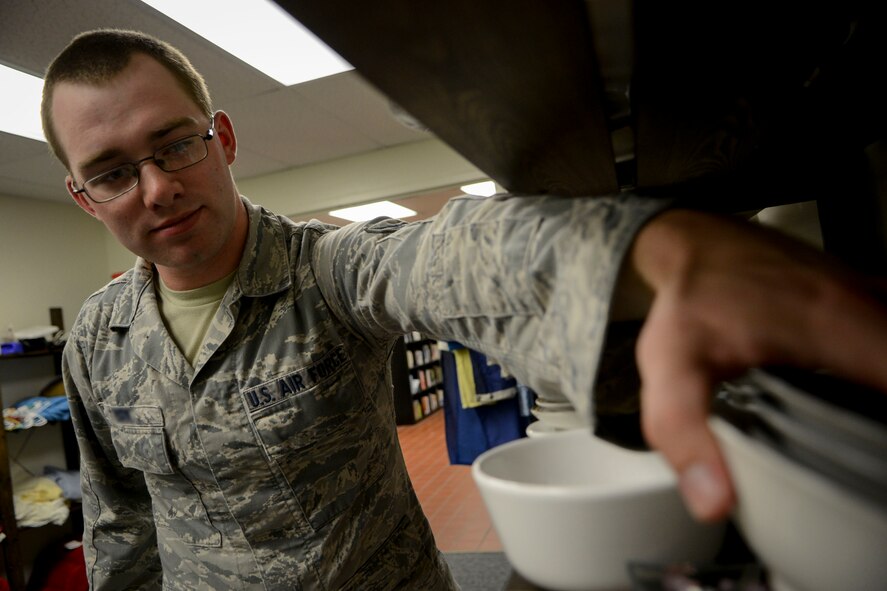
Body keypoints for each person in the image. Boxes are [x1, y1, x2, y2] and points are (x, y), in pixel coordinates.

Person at [43, 29, 887, 590]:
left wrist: (653, 250)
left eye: (175, 144)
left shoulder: (325, 271)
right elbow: (121, 522)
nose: (156, 188)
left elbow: (449, 255)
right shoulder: (96, 338)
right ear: (85, 198)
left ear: (221, 139)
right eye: (114, 172)